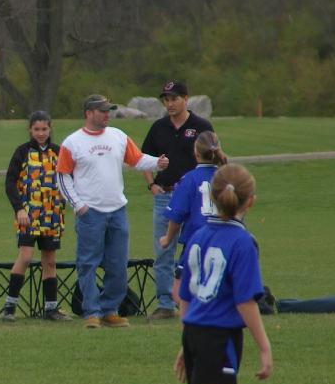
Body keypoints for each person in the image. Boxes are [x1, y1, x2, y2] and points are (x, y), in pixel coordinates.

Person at [152, 163, 281, 384]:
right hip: (218, 339)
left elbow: (185, 295)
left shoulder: (198, 234)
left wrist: (186, 342)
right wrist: (265, 347)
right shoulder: (242, 242)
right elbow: (245, 302)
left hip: (198, 334)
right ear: (250, 202)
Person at [56, 94, 168, 329]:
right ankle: (91, 312)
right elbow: (63, 176)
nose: (108, 114)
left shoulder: (118, 136)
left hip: (117, 210)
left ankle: (110, 310)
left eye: (109, 110)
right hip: (90, 213)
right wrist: (78, 205)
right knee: (88, 263)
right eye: (102, 111)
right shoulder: (72, 142)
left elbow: (137, 160)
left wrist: (156, 163)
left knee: (118, 264)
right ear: (89, 113)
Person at [141, 80, 214, 321]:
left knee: (196, 247)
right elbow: (145, 158)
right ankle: (165, 304)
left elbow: (214, 157)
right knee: (163, 250)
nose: (170, 104)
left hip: (194, 198)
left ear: (186, 99)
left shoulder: (201, 126)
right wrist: (151, 184)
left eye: (174, 99)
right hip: (165, 194)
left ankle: (198, 299)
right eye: (166, 100)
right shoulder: (158, 127)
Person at [0, 110, 69, 322]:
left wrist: (65, 199)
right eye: (36, 129)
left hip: (52, 214)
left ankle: (51, 309)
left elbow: (67, 179)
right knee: (26, 256)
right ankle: (10, 306)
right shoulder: (22, 152)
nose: (41, 133)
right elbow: (10, 183)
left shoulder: (58, 152)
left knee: (49, 261)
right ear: (30, 130)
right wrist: (19, 209)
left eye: (44, 129)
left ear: (50, 129)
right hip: (29, 214)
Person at [158, 131, 228, 305]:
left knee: (179, 293)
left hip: (196, 241)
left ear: (196, 153)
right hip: (225, 240)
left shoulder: (189, 179)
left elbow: (176, 216)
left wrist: (167, 238)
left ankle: (199, 315)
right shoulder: (226, 178)